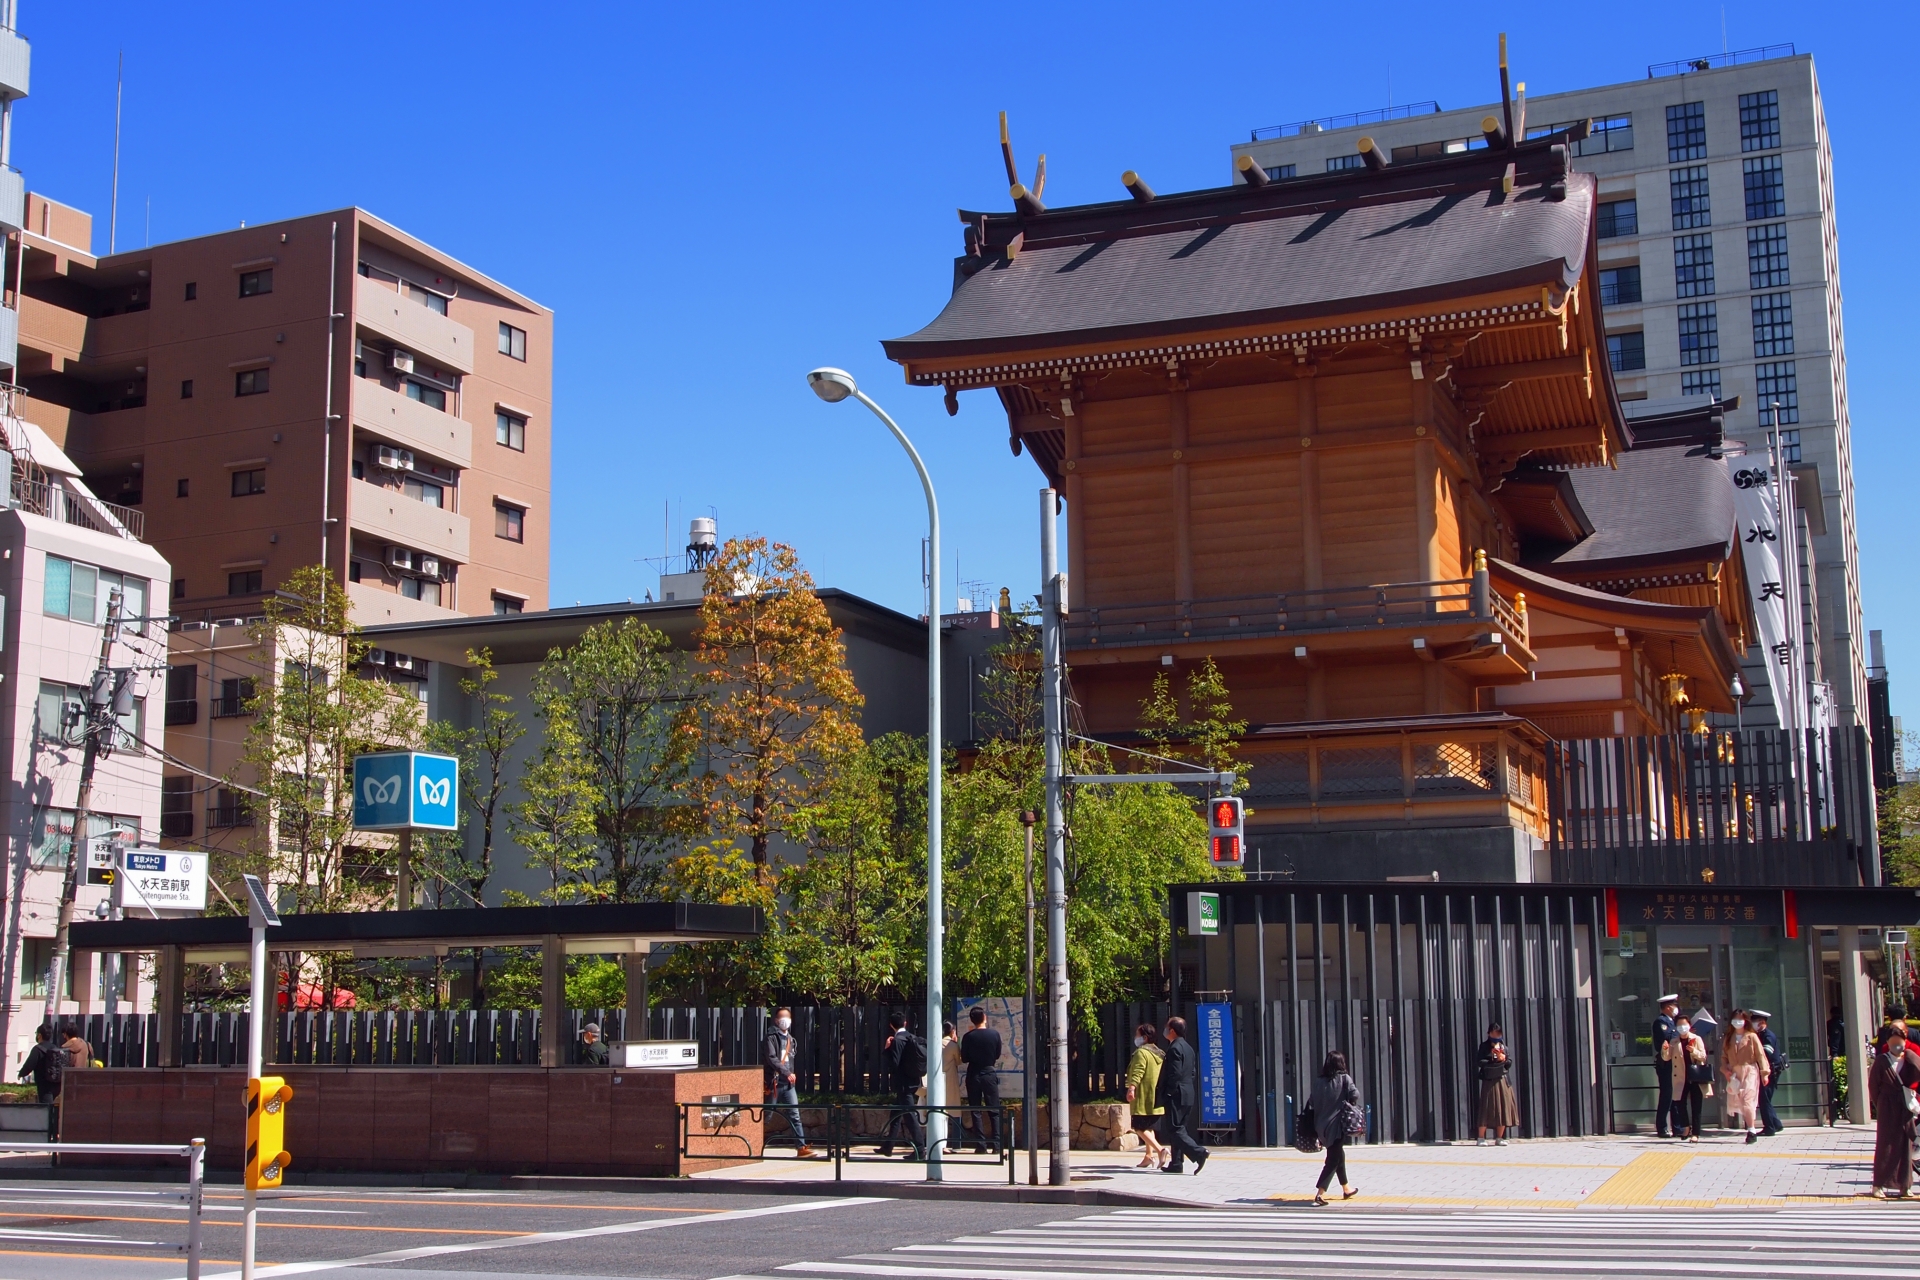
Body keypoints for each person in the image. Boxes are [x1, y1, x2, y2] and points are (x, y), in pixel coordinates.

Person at [1869, 1025, 1920, 1197]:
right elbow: (1873, 1086)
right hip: (1887, 1105)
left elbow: (1918, 1071)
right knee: (1885, 1144)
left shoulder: (1909, 1058)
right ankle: (1879, 1185)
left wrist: (1910, 1055)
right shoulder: (1882, 1061)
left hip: (1904, 1106)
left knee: (1905, 1144)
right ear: (1888, 1044)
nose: (1897, 1047)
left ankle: (1905, 1185)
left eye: (1900, 1043)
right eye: (1893, 1044)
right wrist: (1880, 1104)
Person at [1155, 1017, 1208, 1175]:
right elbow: (1192, 1073)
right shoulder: (1188, 1048)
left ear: (1172, 1030)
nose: (1164, 1029)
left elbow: (1174, 1073)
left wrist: (1169, 1091)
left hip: (1176, 1093)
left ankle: (1199, 1153)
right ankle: (1176, 1163)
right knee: (1179, 1128)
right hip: (1187, 1092)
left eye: (1166, 1027)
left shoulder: (1174, 1048)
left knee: (1174, 1129)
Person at [1308, 1050, 1361, 1205]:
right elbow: (1355, 1094)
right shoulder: (1344, 1078)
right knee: (1333, 1159)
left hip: (1320, 1126)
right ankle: (1320, 1192)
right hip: (1336, 1125)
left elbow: (1312, 1101)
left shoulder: (1318, 1081)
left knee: (1338, 1155)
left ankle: (1346, 1188)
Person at [762, 1007, 815, 1159]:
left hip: (788, 1084)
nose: (785, 1020)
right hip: (774, 1082)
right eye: (782, 1017)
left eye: (787, 1017)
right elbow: (771, 1058)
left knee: (795, 1115)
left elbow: (789, 1059)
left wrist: (790, 1074)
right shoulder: (770, 1037)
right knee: (767, 1115)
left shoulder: (791, 1039)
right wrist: (787, 1072)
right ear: (776, 1020)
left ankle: (801, 1147)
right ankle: (754, 1142)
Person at [879, 1013, 926, 1159]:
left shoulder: (897, 1040)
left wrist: (887, 1049)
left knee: (909, 1115)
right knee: (896, 1114)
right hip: (913, 1080)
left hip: (903, 1083)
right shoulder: (912, 1037)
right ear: (905, 1023)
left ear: (891, 1025)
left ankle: (920, 1149)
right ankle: (888, 1146)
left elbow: (894, 1064)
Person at [1719, 1009, 1770, 1143]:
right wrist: (1725, 1070)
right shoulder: (1729, 1038)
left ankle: (1751, 1129)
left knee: (1748, 1098)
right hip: (1735, 1072)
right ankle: (1750, 1126)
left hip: (1750, 1069)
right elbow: (1724, 1057)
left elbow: (1760, 1055)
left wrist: (1765, 1073)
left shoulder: (1751, 1036)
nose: (1738, 1021)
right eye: (1735, 1018)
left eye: (1740, 1019)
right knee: (1740, 1099)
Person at [959, 1005, 1003, 1154]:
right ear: (985, 1017)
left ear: (972, 1020)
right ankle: (997, 1145)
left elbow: (964, 1058)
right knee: (994, 1110)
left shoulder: (968, 1037)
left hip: (974, 1074)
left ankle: (981, 1145)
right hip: (989, 1073)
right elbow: (997, 1054)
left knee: (975, 1109)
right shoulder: (995, 1034)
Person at [1123, 1021, 1167, 1169]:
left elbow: (1138, 1071)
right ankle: (1149, 1156)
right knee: (1149, 1127)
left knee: (1139, 1127)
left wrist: (1131, 1088)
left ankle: (1160, 1150)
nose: (1136, 1037)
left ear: (1145, 1038)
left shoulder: (1141, 1053)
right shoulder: (1160, 1054)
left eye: (1138, 1035)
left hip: (1143, 1096)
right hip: (1155, 1097)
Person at [1662, 1014, 1709, 1141]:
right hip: (1680, 1077)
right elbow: (1667, 1058)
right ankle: (1686, 1127)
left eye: (1684, 1025)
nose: (1682, 1028)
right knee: (1679, 1103)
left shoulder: (1696, 1039)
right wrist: (1665, 1050)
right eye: (1679, 1025)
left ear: (1689, 1025)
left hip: (1695, 1076)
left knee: (1696, 1105)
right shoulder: (1674, 1041)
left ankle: (1696, 1133)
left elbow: (1703, 1057)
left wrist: (1693, 1051)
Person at [1475, 1022, 1518, 1146]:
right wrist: (1493, 1059)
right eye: (1494, 1033)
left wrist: (1504, 1059)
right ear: (1489, 1033)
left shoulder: (1504, 1046)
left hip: (1503, 1079)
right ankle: (1481, 1137)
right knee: (1486, 1107)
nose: (1496, 1035)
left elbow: (1509, 1062)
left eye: (1498, 1033)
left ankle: (1499, 1137)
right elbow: (1480, 1061)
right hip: (1489, 1079)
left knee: (1503, 1107)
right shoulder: (1484, 1046)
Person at [1752, 1009, 1785, 1137]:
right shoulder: (1759, 1035)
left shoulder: (1768, 1036)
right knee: (1766, 1099)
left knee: (1764, 1099)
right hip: (1767, 1070)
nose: (1753, 1024)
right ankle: (1776, 1124)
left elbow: (1766, 1053)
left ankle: (1769, 1127)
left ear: (1762, 1022)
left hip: (1771, 1071)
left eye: (1755, 1021)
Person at [1653, 995, 1681, 1138]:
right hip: (1665, 1063)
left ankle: (1677, 1127)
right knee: (1667, 1095)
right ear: (1668, 1007)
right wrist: (1680, 1033)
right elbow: (1668, 1036)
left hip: (1675, 1062)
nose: (1677, 1009)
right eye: (1675, 1006)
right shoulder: (1661, 1021)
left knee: (1675, 1095)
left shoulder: (1673, 1022)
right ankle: (1662, 1127)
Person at [17, 1025, 62, 1105]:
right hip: (57, 1084)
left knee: (46, 1108)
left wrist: (21, 1074)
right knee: (52, 1107)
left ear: (39, 1035)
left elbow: (29, 1065)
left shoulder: (37, 1049)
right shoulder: (55, 1048)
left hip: (44, 1085)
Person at [1828, 1006, 1849, 1124]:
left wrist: (1834, 1053)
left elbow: (1834, 1040)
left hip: (1839, 1053)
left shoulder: (1834, 1024)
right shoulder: (1839, 1024)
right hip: (1841, 1053)